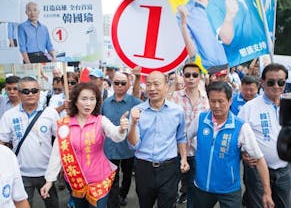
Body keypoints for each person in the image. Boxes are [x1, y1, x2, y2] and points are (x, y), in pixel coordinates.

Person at [40, 82, 129, 208]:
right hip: (75, 179)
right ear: (75, 101)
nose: (88, 103)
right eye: (84, 99)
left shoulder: (101, 120)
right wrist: (49, 180)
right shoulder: (64, 124)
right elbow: (57, 153)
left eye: (92, 99)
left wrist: (121, 129)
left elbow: (116, 135)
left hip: (99, 179)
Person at [187, 81, 273, 208]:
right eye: (212, 101)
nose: (216, 106)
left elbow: (259, 159)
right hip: (202, 186)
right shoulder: (201, 119)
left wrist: (267, 191)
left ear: (230, 101)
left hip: (229, 189)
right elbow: (184, 138)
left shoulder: (241, 127)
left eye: (221, 101)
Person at [128, 71, 189, 208]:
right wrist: (133, 123)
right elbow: (133, 145)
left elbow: (181, 137)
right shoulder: (137, 111)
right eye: (148, 84)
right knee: (145, 204)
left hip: (169, 167)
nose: (152, 88)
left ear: (166, 86)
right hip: (144, 167)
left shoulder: (177, 111)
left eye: (156, 84)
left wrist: (184, 158)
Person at [0, 76, 60, 208]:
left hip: (46, 173)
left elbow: (61, 141)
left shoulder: (50, 113)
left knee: (53, 205)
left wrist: (58, 168)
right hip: (21, 174)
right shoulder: (9, 115)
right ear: (19, 93)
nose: (31, 94)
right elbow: (2, 143)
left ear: (39, 92)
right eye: (26, 91)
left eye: (34, 90)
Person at [238, 63, 291, 208]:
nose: (276, 86)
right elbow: (239, 137)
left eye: (281, 82)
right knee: (258, 205)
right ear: (262, 82)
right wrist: (243, 153)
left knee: (284, 204)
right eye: (271, 82)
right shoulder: (249, 107)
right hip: (257, 170)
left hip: (284, 168)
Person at [171, 63, 209, 206]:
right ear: (183, 76)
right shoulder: (175, 97)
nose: (191, 78)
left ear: (200, 77)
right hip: (175, 150)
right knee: (171, 187)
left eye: (195, 75)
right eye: (187, 75)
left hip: (197, 150)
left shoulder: (207, 98)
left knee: (193, 188)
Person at [102, 71, 142, 207]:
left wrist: (138, 77)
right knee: (112, 178)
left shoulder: (135, 102)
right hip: (109, 148)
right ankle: (113, 202)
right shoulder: (105, 103)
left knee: (127, 175)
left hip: (127, 148)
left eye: (123, 83)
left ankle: (123, 194)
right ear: (112, 83)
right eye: (116, 83)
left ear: (128, 84)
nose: (119, 86)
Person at [206, 0, 267, 66]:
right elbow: (226, 38)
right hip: (231, 57)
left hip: (247, 49)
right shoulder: (214, 4)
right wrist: (229, 16)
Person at [177, 0, 228, 74]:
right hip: (208, 69)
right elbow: (191, 53)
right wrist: (183, 24)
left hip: (230, 62)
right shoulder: (184, 12)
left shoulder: (222, 4)